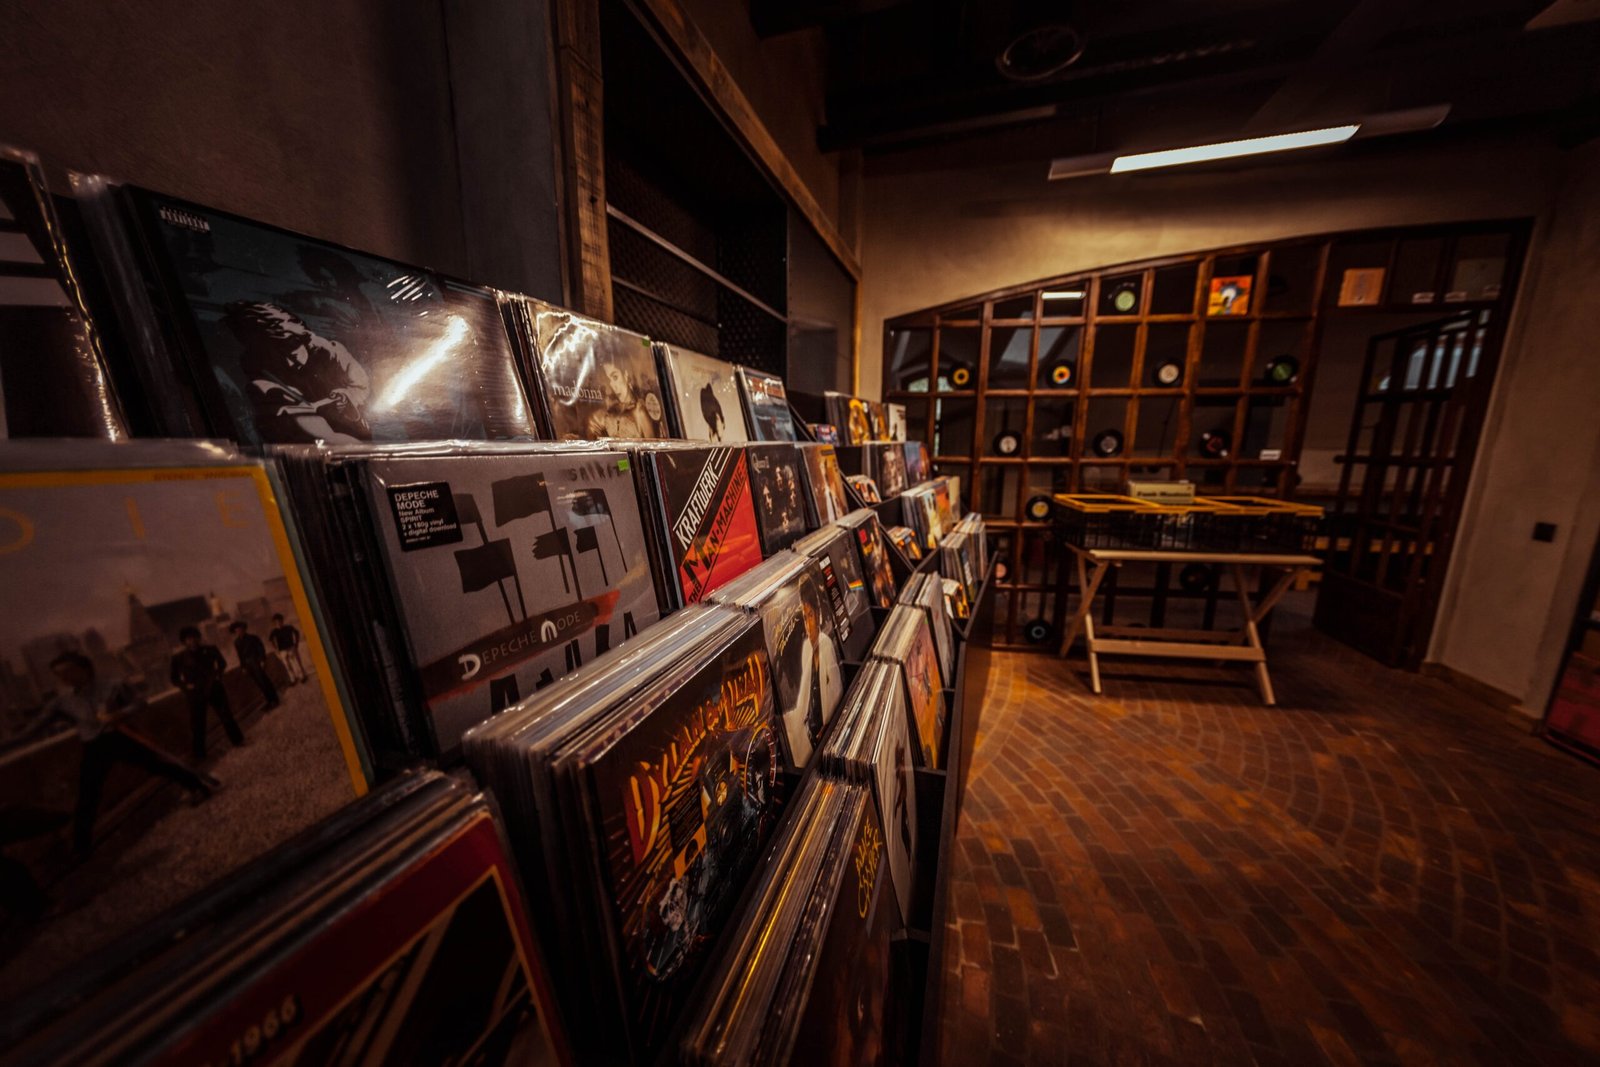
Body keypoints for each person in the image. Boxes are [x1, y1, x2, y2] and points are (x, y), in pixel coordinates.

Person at [41, 652, 212, 856]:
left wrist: (119, 714)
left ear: (84, 668)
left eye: (68, 671)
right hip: (94, 746)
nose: (64, 678)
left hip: (120, 737)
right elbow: (35, 727)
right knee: (88, 794)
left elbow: (140, 702)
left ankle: (198, 786)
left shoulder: (113, 685)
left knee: (157, 764)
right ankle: (81, 846)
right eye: (59, 675)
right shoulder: (62, 702)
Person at [224, 301, 372, 443]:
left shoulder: (331, 351)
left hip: (353, 431)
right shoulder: (261, 376)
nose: (289, 363)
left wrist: (347, 396)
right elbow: (323, 439)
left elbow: (361, 386)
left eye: (293, 355)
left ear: (303, 340)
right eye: (279, 358)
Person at [170, 626, 246, 762]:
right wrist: (185, 686)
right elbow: (174, 678)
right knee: (197, 724)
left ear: (199, 638)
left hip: (214, 688)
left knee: (226, 716)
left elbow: (222, 664)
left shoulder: (210, 650)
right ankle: (199, 754)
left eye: (194, 637)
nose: (192, 641)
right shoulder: (178, 658)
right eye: (188, 639)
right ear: (184, 642)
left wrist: (217, 676)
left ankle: (238, 741)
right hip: (195, 694)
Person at [585, 361, 665, 438]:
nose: (613, 386)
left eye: (615, 377)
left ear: (626, 375)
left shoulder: (640, 411)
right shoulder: (610, 410)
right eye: (609, 380)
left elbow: (652, 447)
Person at [229, 621, 280, 709]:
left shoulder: (253, 638)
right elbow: (240, 656)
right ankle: (269, 700)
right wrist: (243, 667)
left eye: (240, 629)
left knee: (264, 681)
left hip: (256, 661)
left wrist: (262, 660)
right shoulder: (236, 642)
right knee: (259, 684)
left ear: (244, 629)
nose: (239, 632)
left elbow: (261, 649)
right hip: (248, 665)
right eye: (236, 631)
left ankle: (275, 699)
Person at [268, 613, 305, 684]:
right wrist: (275, 649)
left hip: (291, 647)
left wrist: (296, 643)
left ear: (282, 621)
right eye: (276, 622)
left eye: (279, 621)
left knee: (296, 662)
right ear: (274, 623)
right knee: (287, 665)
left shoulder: (288, 627)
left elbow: (296, 633)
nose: (278, 623)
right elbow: (270, 640)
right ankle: (293, 679)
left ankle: (302, 676)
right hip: (282, 651)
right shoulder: (274, 631)